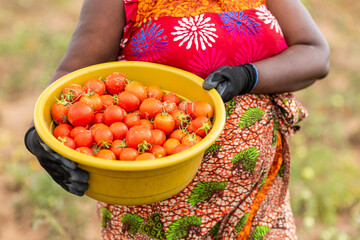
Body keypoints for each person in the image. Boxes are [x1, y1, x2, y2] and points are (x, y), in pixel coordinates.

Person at [25, 0, 329, 239]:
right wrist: (36, 138)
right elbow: (71, 77)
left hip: (253, 200)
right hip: (151, 201)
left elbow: (316, 53)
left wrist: (248, 76)